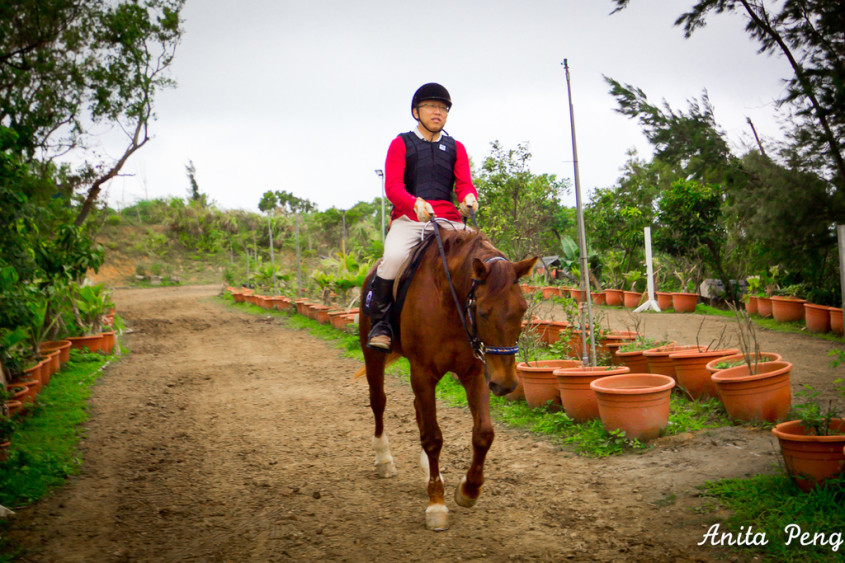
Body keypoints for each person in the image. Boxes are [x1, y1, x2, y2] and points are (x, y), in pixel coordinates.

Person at [365, 83, 479, 351]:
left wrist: (468, 198)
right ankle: (381, 325)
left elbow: (464, 184)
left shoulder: (456, 148)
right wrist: (413, 203)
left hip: (448, 219)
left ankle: (480, 326)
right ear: (416, 112)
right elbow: (392, 187)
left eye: (442, 108)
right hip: (410, 219)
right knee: (392, 258)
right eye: (431, 107)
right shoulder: (401, 143)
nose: (437, 112)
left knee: (484, 256)